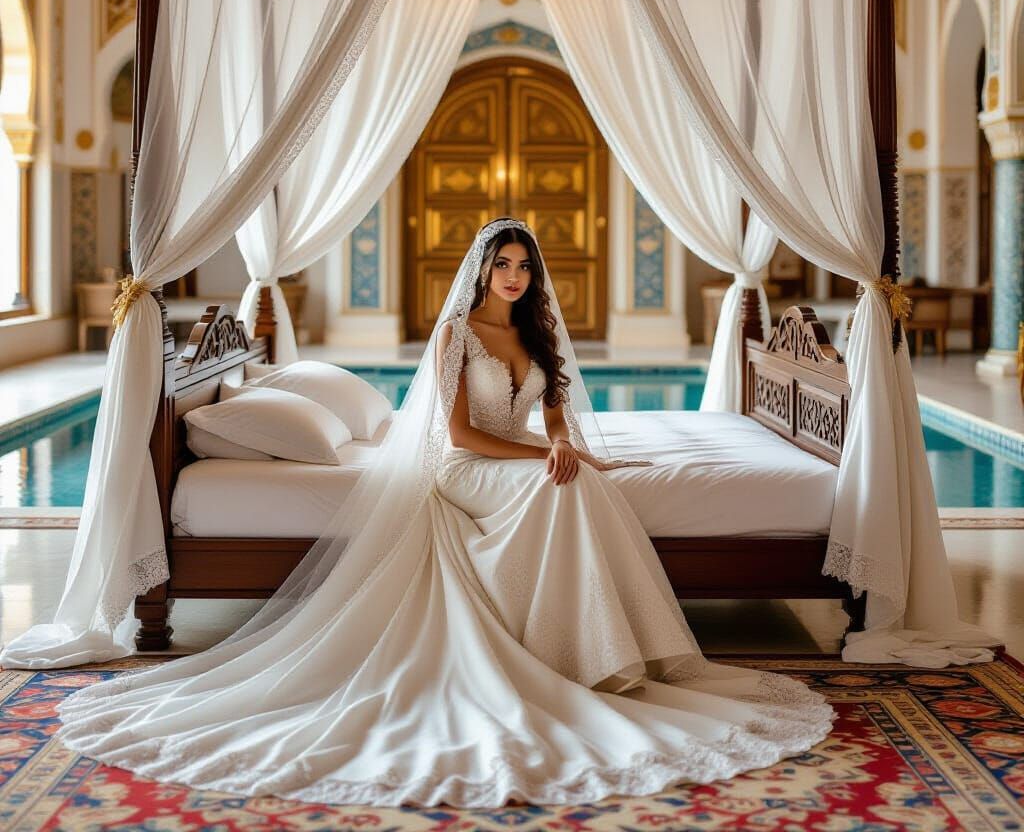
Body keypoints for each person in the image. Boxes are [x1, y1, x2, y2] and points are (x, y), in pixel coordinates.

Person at [58, 217, 832, 807]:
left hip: (520, 456)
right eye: (504, 264)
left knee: (578, 484)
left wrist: (567, 447)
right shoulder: (460, 332)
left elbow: (555, 414)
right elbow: (460, 434)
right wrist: (542, 457)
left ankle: (588, 653)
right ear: (483, 269)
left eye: (525, 267)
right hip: (464, 468)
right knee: (553, 487)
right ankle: (570, 650)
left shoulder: (538, 329)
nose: (516, 277)